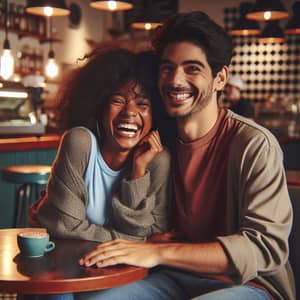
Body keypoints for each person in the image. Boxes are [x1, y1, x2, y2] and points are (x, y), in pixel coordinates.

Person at [51, 11, 295, 300]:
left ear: (220, 78)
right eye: (168, 68)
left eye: (192, 68)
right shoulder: (157, 143)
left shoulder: (254, 145)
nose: (175, 80)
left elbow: (263, 246)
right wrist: (52, 209)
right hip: (171, 277)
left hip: (246, 284)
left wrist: (157, 251)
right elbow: (116, 216)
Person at [29, 47, 171, 243]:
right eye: (117, 100)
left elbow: (156, 232)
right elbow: (64, 226)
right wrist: (132, 241)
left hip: (131, 271)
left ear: (155, 115)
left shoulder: (158, 160)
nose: (129, 112)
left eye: (142, 104)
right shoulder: (80, 143)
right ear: (99, 107)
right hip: (71, 265)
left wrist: (138, 172)